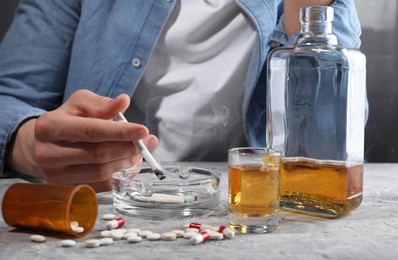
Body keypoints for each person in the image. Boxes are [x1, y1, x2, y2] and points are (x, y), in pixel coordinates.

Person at [0, 0, 362, 192]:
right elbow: (8, 96)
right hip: (107, 205)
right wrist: (29, 143)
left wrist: (308, 11)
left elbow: (328, 151)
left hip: (244, 209)